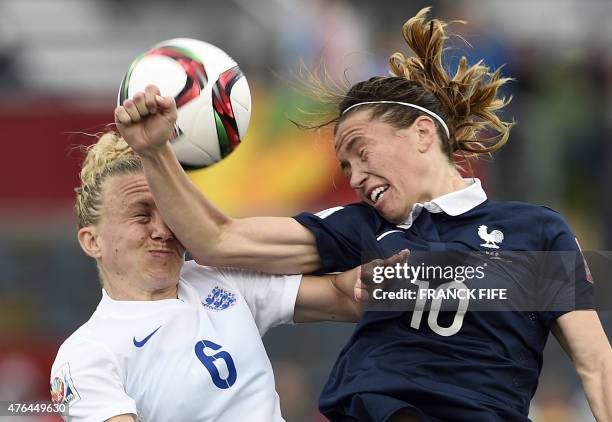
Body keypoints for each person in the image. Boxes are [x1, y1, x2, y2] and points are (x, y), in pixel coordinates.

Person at [114, 7, 611, 422]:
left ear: (420, 134)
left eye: (360, 151)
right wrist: (157, 152)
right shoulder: (361, 227)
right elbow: (218, 241)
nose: (353, 176)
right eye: (344, 165)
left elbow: (595, 363)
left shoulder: (537, 230)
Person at [49, 132, 395, 422]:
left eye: (169, 213)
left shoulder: (217, 279)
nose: (162, 230)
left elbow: (345, 296)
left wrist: (431, 280)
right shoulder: (85, 355)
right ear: (92, 241)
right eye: (141, 216)